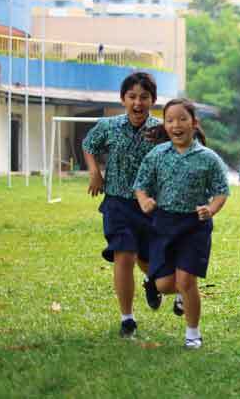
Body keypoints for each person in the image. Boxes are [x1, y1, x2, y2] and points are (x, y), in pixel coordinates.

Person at [134, 98, 229, 349]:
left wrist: (211, 209)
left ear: (194, 123)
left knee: (187, 280)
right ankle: (174, 292)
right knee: (165, 284)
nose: (176, 124)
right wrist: (144, 200)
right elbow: (140, 184)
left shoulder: (208, 158)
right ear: (164, 125)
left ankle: (193, 333)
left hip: (195, 225)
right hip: (164, 222)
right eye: (170, 120)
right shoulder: (157, 155)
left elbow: (221, 191)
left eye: (182, 119)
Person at [82, 72, 162, 338]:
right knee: (124, 255)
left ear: (152, 100)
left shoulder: (161, 129)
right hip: (117, 203)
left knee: (147, 260)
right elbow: (88, 145)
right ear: (123, 99)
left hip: (151, 205)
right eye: (132, 97)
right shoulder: (108, 126)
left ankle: (152, 282)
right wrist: (95, 172)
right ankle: (127, 318)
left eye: (144, 97)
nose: (138, 103)